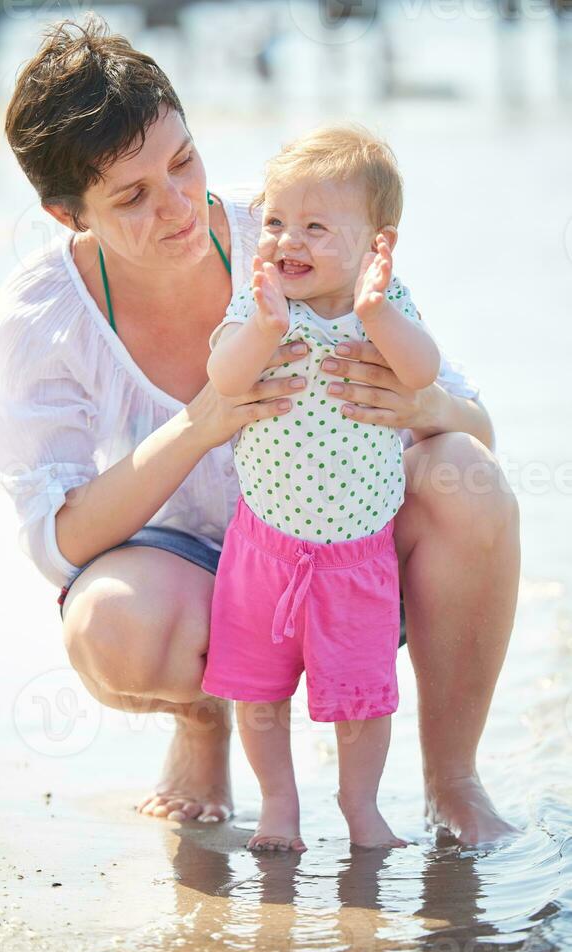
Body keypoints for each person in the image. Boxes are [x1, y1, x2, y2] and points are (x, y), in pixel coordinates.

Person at [0, 16, 520, 846]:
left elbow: (476, 425)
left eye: (183, 161)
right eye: (131, 196)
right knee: (111, 626)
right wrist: (202, 423)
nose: (178, 207)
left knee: (471, 483)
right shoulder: (42, 315)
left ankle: (453, 782)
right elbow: (56, 540)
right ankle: (203, 726)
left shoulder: (297, 236)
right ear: (66, 215)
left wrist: (428, 410)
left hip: (350, 549)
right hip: (197, 575)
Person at [202, 124, 442, 853]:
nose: (286, 242)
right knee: (258, 692)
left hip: (358, 558)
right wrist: (264, 328)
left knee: (362, 701)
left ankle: (359, 805)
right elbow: (223, 378)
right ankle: (278, 804)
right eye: (275, 222)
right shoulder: (261, 307)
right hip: (263, 550)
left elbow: (423, 371)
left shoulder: (388, 302)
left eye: (314, 227)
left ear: (377, 246)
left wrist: (376, 313)